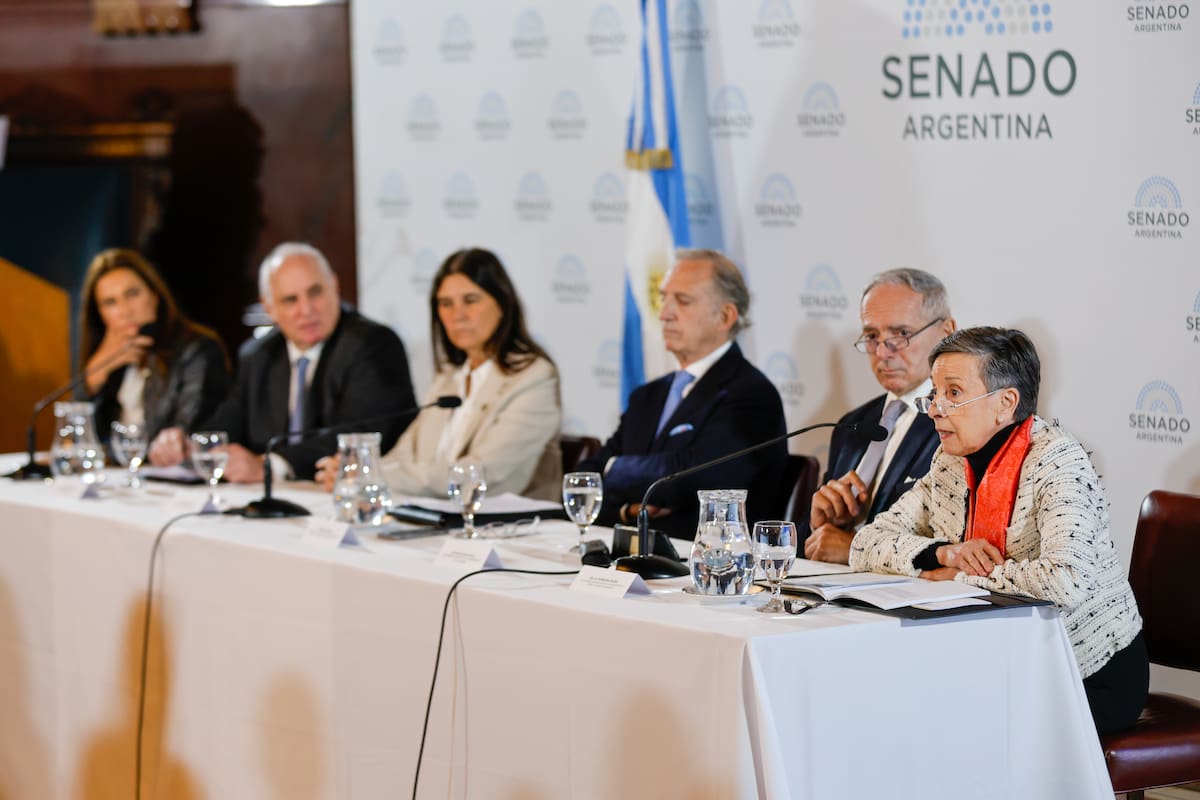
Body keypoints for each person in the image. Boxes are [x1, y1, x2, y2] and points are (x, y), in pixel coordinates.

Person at [849, 327, 1147, 734]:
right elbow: (865, 544)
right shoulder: (950, 461)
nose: (935, 409)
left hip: (1086, 671)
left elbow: (1066, 579)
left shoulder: (1058, 460)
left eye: (953, 393)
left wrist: (960, 578)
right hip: (997, 659)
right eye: (935, 393)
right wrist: (943, 553)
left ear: (1006, 403)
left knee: (943, 721)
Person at [149, 242, 416, 481]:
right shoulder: (258, 355)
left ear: (334, 286)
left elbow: (360, 434)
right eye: (290, 300)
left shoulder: (373, 344)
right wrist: (187, 445)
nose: (306, 310)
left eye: (315, 292)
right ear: (269, 308)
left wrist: (270, 466)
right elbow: (228, 423)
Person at [315, 248, 562, 500]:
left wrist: (371, 474)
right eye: (446, 304)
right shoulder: (448, 377)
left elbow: (479, 473)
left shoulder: (534, 378)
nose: (458, 315)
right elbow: (404, 454)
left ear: (502, 303)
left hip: (508, 520)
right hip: (435, 515)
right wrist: (357, 470)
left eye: (470, 300)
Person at [578, 249, 787, 540]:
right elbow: (584, 483)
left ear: (725, 316)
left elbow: (692, 478)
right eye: (664, 298)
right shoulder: (647, 396)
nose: (664, 314)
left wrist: (613, 470)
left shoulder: (751, 395)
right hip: (630, 554)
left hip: (706, 558)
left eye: (683, 301)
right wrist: (628, 511)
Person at [805, 268, 957, 564]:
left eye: (901, 334)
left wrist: (856, 548)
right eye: (872, 336)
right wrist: (819, 524)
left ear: (947, 333)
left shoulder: (958, 423)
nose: (882, 352)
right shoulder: (853, 423)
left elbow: (955, 544)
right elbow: (809, 547)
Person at [78, 248, 230, 443]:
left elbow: (186, 436)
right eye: (110, 302)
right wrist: (90, 382)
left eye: (132, 294)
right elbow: (76, 440)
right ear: (99, 314)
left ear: (154, 296)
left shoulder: (198, 350)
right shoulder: (108, 361)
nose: (125, 310)